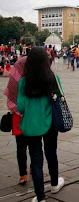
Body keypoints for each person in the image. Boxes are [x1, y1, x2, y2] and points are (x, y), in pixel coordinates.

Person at [17, 47, 65, 202]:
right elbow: (60, 98)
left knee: (36, 160)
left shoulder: (24, 82)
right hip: (50, 123)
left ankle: (40, 196)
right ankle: (55, 184)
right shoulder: (52, 78)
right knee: (52, 153)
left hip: (31, 126)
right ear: (46, 61)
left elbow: (21, 107)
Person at [3, 56, 30, 185]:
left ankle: (23, 174)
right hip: (32, 117)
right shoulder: (34, 78)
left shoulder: (15, 78)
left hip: (18, 117)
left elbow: (12, 96)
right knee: (34, 145)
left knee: (21, 146)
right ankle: (33, 169)